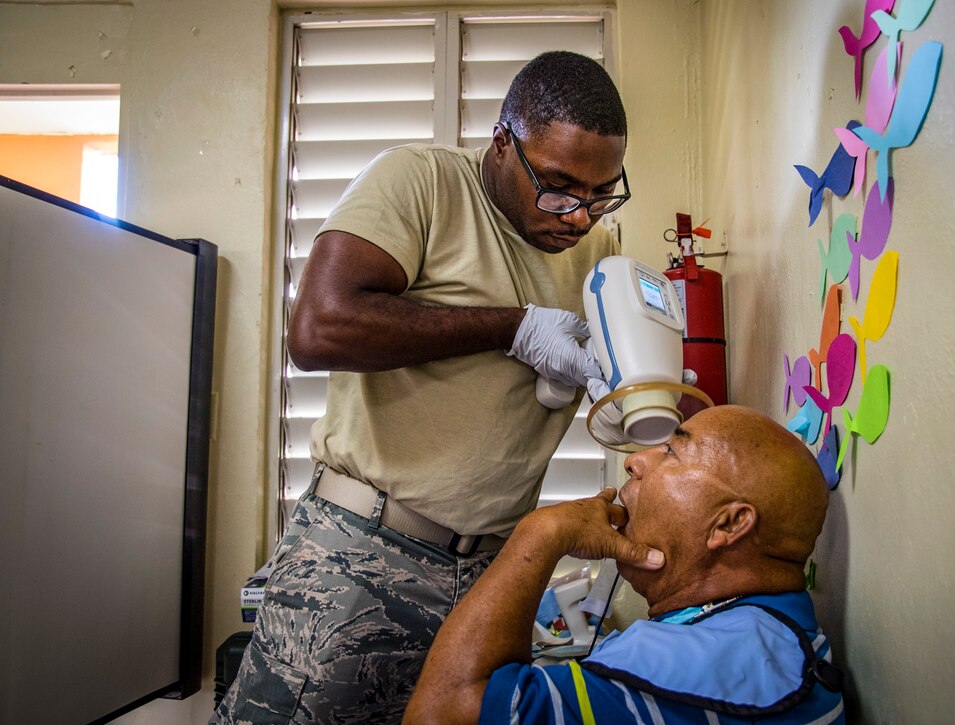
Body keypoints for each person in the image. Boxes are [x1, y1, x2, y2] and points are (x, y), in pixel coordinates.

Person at [213, 51, 629, 724]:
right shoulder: (422, 182)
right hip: (361, 555)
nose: (579, 215)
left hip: (491, 572)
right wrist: (512, 328)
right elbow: (319, 327)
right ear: (503, 144)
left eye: (601, 191)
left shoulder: (596, 251)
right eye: (557, 186)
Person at [404, 405, 846, 724]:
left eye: (672, 452)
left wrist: (540, 534)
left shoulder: (710, 663)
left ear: (728, 524)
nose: (635, 461)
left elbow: (442, 713)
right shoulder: (775, 635)